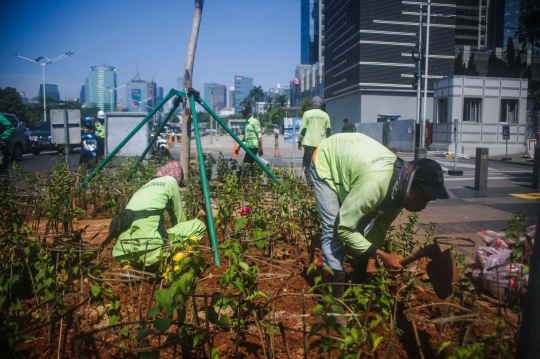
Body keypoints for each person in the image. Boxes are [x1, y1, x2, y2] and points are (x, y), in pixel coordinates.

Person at [310, 133, 449, 300]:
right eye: (423, 197)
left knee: (358, 225)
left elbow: (379, 227)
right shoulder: (374, 185)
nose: (423, 206)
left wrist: (370, 259)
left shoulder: (400, 190)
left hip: (354, 159)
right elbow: (344, 228)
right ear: (412, 185)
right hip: (326, 158)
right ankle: (334, 303)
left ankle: (358, 282)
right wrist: (383, 255)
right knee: (333, 232)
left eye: (429, 200)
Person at [111, 162, 206, 267]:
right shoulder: (171, 181)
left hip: (123, 252)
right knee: (199, 226)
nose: (178, 185)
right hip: (151, 252)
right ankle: (172, 269)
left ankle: (127, 267)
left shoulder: (145, 186)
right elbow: (178, 219)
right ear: (176, 176)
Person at [298, 96, 331, 178]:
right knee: (319, 163)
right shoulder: (325, 115)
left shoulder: (307, 114)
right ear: (321, 104)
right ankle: (318, 182)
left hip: (309, 143)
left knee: (307, 164)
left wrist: (299, 141)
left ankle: (309, 183)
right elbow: (328, 131)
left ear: (312, 104)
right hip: (321, 145)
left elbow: (303, 130)